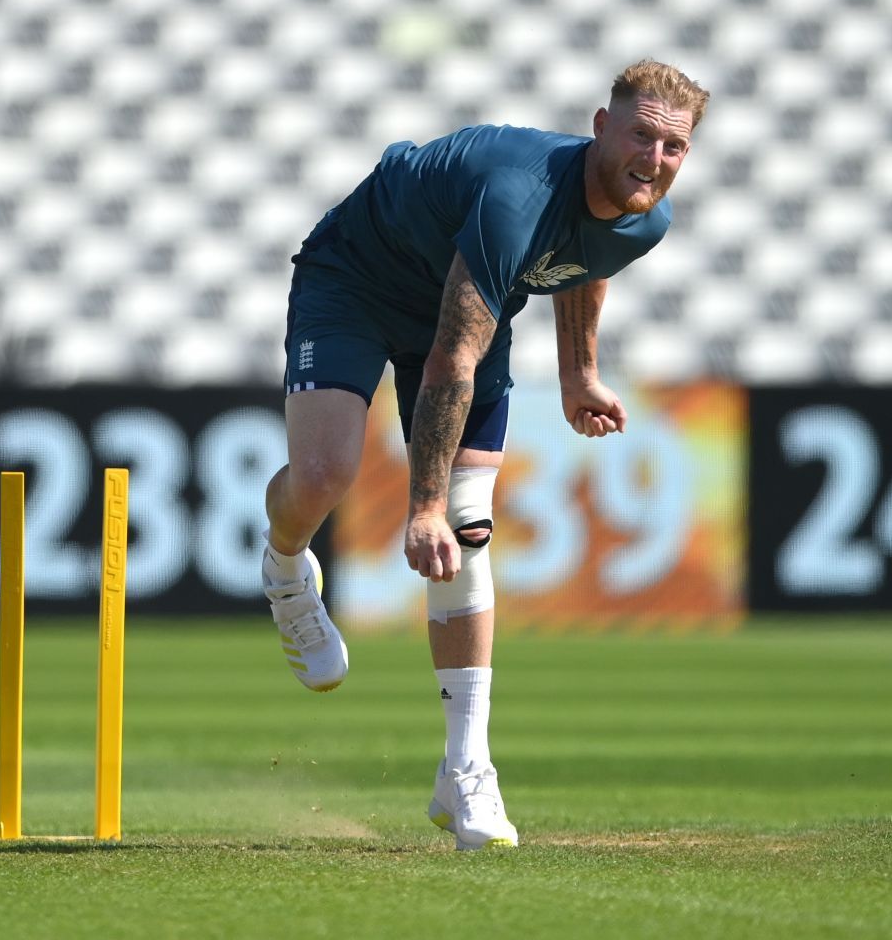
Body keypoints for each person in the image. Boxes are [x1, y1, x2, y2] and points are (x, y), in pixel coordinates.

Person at [260, 59, 708, 849]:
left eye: (674, 147)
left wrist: (578, 372)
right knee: (327, 475)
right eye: (641, 135)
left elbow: (586, 259)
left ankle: (465, 769)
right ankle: (285, 566)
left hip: (469, 296)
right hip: (359, 276)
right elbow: (450, 363)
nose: (655, 159)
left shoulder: (647, 218)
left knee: (470, 529)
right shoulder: (517, 197)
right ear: (600, 127)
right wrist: (420, 504)